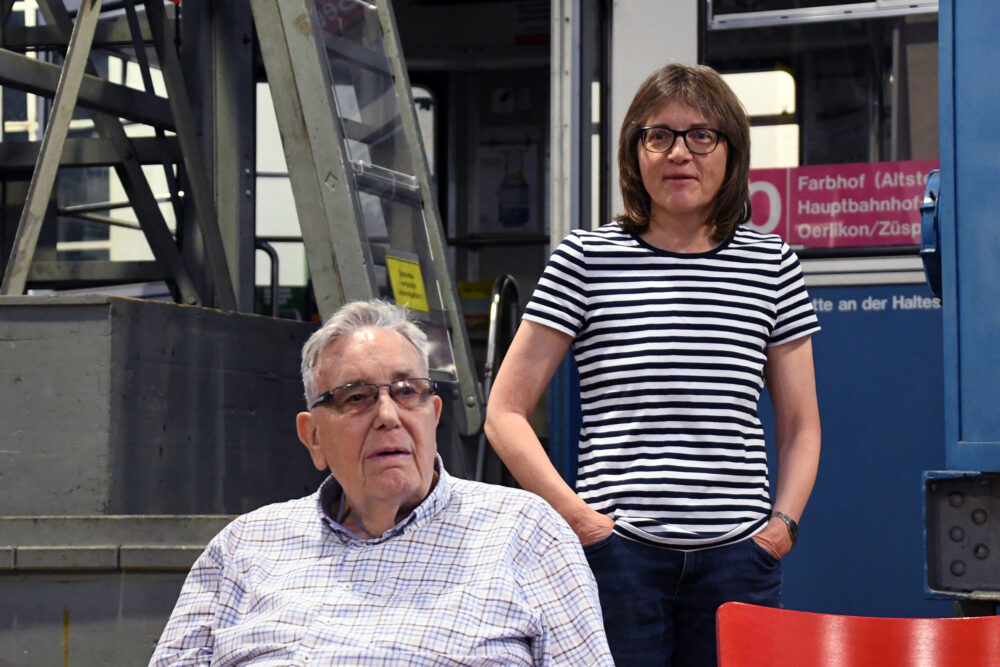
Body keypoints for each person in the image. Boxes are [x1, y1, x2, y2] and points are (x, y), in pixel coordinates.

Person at [485, 62, 821, 667]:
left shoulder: (772, 264)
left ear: (731, 151)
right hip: (620, 559)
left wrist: (781, 530)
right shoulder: (585, 259)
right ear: (635, 152)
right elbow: (504, 412)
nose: (679, 154)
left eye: (701, 135)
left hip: (738, 561)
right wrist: (582, 524)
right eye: (658, 135)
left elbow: (802, 425)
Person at [150, 299, 613, 666]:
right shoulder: (244, 547)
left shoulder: (526, 533)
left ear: (432, 416)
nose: (388, 417)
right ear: (313, 437)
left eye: (407, 392)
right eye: (356, 398)